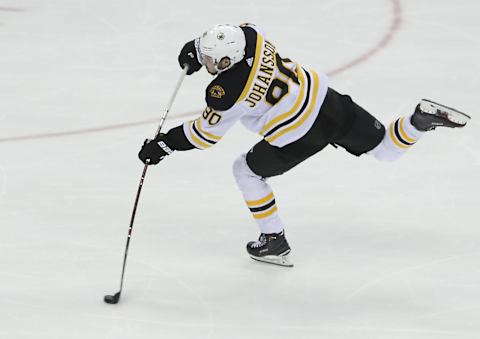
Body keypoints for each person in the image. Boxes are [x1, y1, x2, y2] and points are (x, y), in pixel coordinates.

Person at [138, 23, 470, 267]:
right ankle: (419, 122)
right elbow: (234, 32)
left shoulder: (225, 91)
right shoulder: (252, 37)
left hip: (298, 134)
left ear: (227, 62)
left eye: (213, 62)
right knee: (385, 148)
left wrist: (163, 145)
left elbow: (203, 135)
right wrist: (198, 48)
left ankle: (274, 240)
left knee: (245, 171)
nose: (209, 67)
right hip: (326, 102)